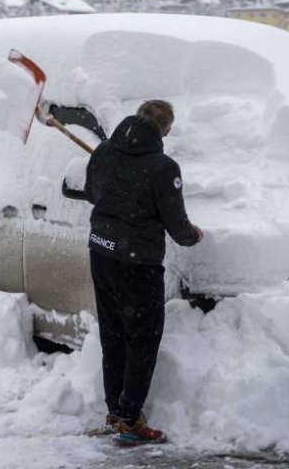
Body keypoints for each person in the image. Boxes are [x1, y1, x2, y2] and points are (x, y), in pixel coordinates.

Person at [80, 99, 202, 446]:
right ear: (166, 129)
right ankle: (130, 419)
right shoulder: (163, 167)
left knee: (113, 335)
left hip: (101, 252)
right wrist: (194, 236)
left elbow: (92, 193)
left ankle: (115, 412)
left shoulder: (104, 151)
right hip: (137, 263)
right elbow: (177, 226)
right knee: (142, 340)